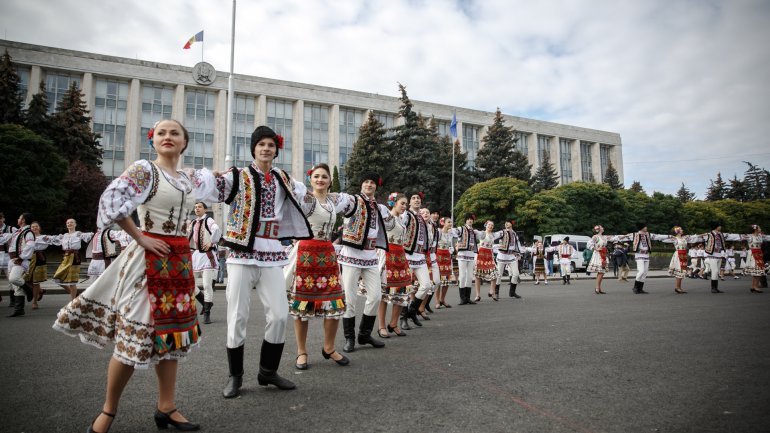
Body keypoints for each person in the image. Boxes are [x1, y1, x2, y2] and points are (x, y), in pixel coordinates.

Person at [53, 119, 210, 432]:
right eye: (161, 133)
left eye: (174, 133)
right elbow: (112, 201)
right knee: (132, 338)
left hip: (179, 264)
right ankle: (108, 411)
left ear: (184, 142)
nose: (167, 136)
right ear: (152, 141)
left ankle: (166, 406)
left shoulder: (189, 178)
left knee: (172, 334)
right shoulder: (145, 170)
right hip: (148, 261)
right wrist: (140, 236)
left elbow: (221, 186)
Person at [214, 125, 313, 398]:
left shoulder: (283, 178)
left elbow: (305, 199)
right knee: (237, 315)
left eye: (271, 145)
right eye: (261, 145)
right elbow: (214, 188)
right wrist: (205, 177)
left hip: (272, 252)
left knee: (280, 314)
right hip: (241, 253)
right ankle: (235, 376)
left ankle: (267, 371)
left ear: (276, 149)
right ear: (254, 148)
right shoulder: (238, 175)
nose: (266, 149)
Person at [285, 163, 350, 370]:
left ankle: (329, 348)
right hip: (306, 254)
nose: (320, 179)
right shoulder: (306, 199)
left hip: (328, 254)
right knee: (302, 304)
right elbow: (290, 187)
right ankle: (301, 351)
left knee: (334, 302)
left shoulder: (333, 202)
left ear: (330, 181)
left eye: (324, 176)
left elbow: (350, 200)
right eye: (316, 176)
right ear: (310, 180)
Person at [337, 172, 390, 353]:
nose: (369, 184)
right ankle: (349, 338)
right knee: (349, 299)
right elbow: (337, 202)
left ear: (376, 186)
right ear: (361, 185)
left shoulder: (380, 208)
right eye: (366, 182)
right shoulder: (352, 200)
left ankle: (364, 334)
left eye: (372, 182)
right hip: (351, 255)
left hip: (370, 256)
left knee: (375, 296)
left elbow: (392, 223)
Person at [377, 192, 411, 338]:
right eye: (402, 203)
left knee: (402, 291)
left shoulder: (401, 220)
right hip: (388, 255)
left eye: (405, 204)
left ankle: (393, 323)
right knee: (384, 294)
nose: (404, 206)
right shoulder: (388, 218)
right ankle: (381, 326)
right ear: (394, 203)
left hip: (400, 257)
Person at [40, 218, 94, 301]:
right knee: (57, 278)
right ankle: (76, 295)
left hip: (75, 257)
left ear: (75, 224)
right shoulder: (64, 236)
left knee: (72, 282)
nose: (69, 224)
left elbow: (89, 235)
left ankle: (73, 301)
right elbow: (52, 238)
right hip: (66, 257)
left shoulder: (78, 234)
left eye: (71, 222)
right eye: (68, 223)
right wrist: (44, 238)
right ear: (66, 225)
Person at [188, 201, 221, 325]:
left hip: (207, 256)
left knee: (207, 285)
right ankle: (204, 301)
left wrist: (212, 242)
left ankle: (207, 313)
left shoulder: (208, 220)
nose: (197, 209)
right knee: (188, 283)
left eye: (199, 207)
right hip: (196, 255)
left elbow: (216, 229)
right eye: (195, 207)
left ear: (205, 210)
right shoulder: (193, 222)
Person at [402, 192, 433, 324]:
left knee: (426, 285)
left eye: (418, 198)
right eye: (413, 198)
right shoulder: (406, 215)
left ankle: (412, 311)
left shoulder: (421, 217)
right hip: (408, 254)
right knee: (406, 288)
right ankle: (403, 318)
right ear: (409, 202)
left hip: (420, 255)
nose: (416, 200)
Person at [621, 223, 670, 294]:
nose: (646, 227)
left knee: (645, 273)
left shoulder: (648, 235)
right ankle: (635, 287)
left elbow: (658, 236)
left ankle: (640, 289)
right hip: (639, 255)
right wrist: (612, 238)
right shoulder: (635, 235)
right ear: (641, 228)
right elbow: (623, 237)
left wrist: (669, 236)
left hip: (646, 255)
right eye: (645, 226)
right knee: (641, 271)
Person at [7, 212, 35, 317]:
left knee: (14, 279)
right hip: (13, 259)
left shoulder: (28, 232)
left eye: (19, 217)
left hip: (20, 260)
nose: (18, 219)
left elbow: (31, 245)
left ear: (23, 220)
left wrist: (21, 257)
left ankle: (29, 289)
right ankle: (19, 309)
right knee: (16, 286)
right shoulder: (19, 231)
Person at [453, 213, 482, 305]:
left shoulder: (474, 231)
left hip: (471, 254)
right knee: (462, 276)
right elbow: (454, 232)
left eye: (471, 219)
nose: (470, 220)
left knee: (469, 276)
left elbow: (482, 236)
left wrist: (478, 232)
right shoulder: (461, 229)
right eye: (468, 219)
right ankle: (462, 298)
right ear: (465, 220)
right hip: (462, 254)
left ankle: (468, 298)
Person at [662, 226, 701, 294]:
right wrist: (670, 237)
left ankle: (679, 287)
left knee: (682, 270)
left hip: (683, 254)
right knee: (680, 269)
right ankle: (677, 287)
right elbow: (664, 239)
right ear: (677, 231)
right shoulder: (675, 238)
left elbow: (694, 237)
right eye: (681, 229)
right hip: (678, 254)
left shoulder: (684, 238)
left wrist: (705, 234)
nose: (682, 230)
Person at [586, 225, 620, 294]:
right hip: (598, 255)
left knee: (602, 272)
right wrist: (595, 248)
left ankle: (598, 287)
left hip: (604, 254)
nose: (603, 228)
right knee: (600, 272)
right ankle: (597, 288)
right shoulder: (595, 237)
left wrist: (626, 236)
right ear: (598, 229)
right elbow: (589, 244)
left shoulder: (605, 237)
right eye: (602, 227)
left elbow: (615, 237)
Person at [495, 221, 523, 299]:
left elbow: (517, 244)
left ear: (511, 224)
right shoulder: (502, 232)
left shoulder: (514, 234)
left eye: (508, 223)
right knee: (499, 274)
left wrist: (519, 253)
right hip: (502, 255)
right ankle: (496, 292)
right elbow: (494, 236)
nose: (506, 224)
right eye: (505, 223)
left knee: (516, 274)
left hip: (511, 256)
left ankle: (512, 292)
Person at [475, 220, 500, 301]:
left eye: (492, 225)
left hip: (489, 256)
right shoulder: (482, 233)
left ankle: (492, 291)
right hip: (481, 255)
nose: (490, 226)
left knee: (495, 273)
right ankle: (478, 295)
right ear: (486, 225)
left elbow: (501, 233)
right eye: (489, 224)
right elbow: (475, 231)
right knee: (478, 276)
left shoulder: (493, 235)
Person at [741, 224, 770, 293]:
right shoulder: (749, 236)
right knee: (757, 270)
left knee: (758, 271)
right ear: (755, 229)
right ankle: (755, 287)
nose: (760, 229)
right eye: (759, 228)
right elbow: (737, 237)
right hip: (753, 254)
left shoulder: (761, 236)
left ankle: (754, 287)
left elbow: (769, 237)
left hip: (759, 253)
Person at [434, 218, 455, 308]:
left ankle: (443, 299)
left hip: (447, 256)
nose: (450, 224)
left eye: (451, 222)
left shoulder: (451, 233)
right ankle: (437, 301)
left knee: (446, 279)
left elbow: (452, 244)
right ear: (443, 223)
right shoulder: (439, 232)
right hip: (439, 256)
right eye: (448, 222)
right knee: (438, 280)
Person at [29, 222, 50, 309]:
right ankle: (40, 291)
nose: (34, 228)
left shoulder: (44, 237)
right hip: (29, 257)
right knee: (26, 279)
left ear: (39, 228)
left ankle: (34, 302)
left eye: (36, 226)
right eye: (33, 227)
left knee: (35, 281)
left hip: (39, 258)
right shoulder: (27, 238)